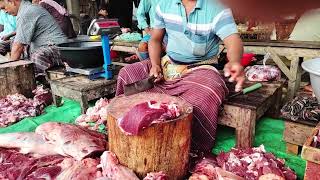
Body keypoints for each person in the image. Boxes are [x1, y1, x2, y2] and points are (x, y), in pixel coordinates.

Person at [116, 0, 245, 152]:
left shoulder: (217, 7)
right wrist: (155, 64)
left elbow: (233, 40)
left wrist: (235, 61)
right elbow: (155, 40)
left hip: (199, 68)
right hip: (167, 64)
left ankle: (190, 149)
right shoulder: (164, 4)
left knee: (208, 92)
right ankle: (126, 127)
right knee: (128, 73)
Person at [4, 0, 67, 78]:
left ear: (12, 2)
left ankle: (41, 84)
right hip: (45, 47)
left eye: (4, 8)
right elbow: (19, 39)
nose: (5, 12)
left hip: (59, 49)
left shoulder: (27, 11)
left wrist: (10, 72)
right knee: (9, 43)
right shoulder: (25, 10)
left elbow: (18, 46)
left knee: (37, 56)